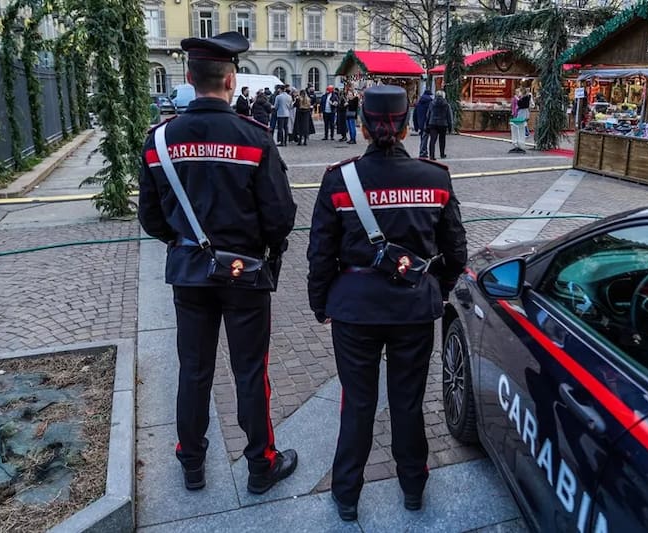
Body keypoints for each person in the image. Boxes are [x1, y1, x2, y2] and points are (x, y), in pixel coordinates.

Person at [138, 31, 298, 494]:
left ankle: (191, 463)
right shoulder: (255, 138)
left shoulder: (159, 140)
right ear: (231, 81)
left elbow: (150, 217)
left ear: (189, 79)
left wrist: (184, 242)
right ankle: (261, 464)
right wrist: (260, 246)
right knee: (250, 372)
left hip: (189, 273)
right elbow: (280, 216)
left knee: (193, 370)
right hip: (245, 275)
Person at [307, 85, 467, 522]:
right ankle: (413, 487)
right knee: (408, 401)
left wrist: (321, 303)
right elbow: (456, 250)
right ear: (407, 125)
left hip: (354, 309)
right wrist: (435, 288)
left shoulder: (339, 180)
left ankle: (347, 494)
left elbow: (320, 253)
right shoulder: (435, 178)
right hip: (413, 308)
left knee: (358, 403)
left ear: (362, 125)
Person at [426, 90, 453, 160]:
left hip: (433, 123)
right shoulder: (446, 104)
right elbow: (449, 116)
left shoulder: (432, 103)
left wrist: (427, 124)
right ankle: (442, 154)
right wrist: (450, 127)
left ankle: (431, 155)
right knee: (442, 139)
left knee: (432, 140)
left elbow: (428, 114)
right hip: (443, 124)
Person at [412, 88, 433, 158]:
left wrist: (416, 126)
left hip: (420, 123)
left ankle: (424, 151)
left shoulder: (418, 103)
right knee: (426, 138)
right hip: (428, 122)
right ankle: (423, 152)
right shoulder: (430, 103)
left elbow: (414, 115)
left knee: (423, 138)